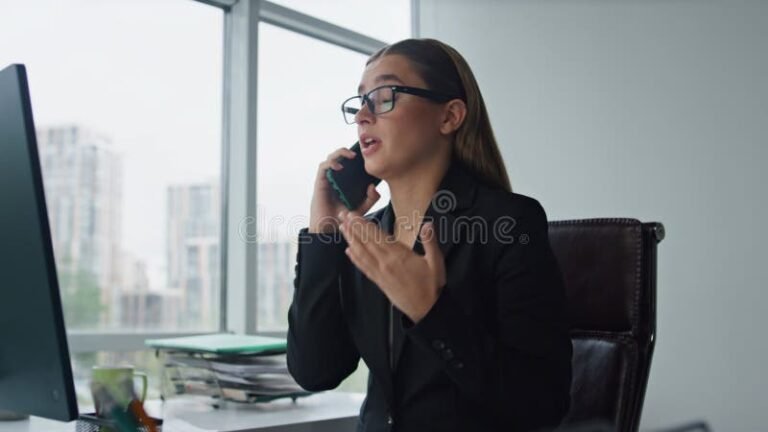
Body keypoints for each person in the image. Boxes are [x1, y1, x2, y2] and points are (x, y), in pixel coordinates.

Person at [287, 37, 572, 432]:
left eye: (384, 96)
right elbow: (315, 371)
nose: (362, 116)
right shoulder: (367, 237)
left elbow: (542, 403)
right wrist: (324, 234)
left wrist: (432, 312)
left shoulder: (509, 222)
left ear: (449, 116)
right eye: (360, 100)